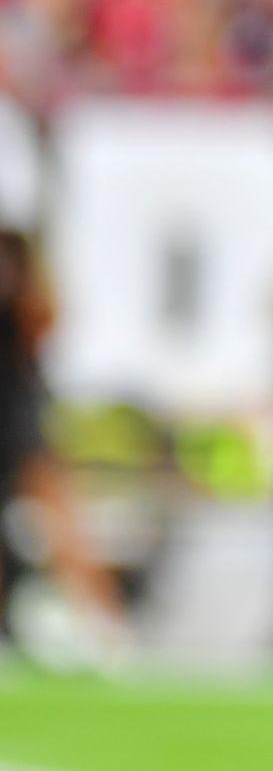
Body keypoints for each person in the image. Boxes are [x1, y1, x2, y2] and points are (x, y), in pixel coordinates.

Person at [0, 228, 126, 656]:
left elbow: (49, 322)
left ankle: (106, 627)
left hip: (19, 422)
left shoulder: (27, 299)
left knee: (66, 530)